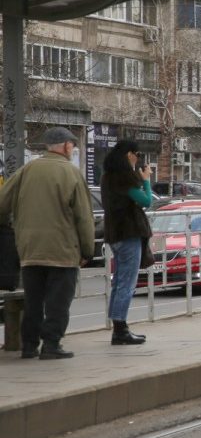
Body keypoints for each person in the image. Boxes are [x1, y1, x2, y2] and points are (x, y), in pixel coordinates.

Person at [0, 127, 94, 359]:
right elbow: (84, 217)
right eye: (72, 144)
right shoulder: (71, 174)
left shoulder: (26, 170)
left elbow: (2, 204)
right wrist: (87, 250)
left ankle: (29, 346)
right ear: (66, 146)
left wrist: (15, 232)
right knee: (58, 302)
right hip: (63, 251)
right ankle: (51, 345)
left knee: (33, 300)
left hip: (30, 250)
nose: (72, 148)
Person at [100, 140, 152, 346]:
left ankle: (118, 328)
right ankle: (121, 329)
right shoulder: (124, 178)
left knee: (120, 281)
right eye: (136, 154)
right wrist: (146, 180)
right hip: (129, 233)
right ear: (128, 154)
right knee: (127, 283)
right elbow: (146, 201)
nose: (138, 158)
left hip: (114, 234)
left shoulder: (107, 177)